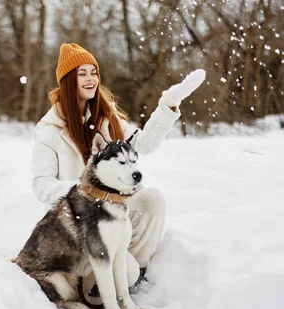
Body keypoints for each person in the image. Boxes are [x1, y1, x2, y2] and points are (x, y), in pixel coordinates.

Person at [32, 43, 194, 288]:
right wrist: (83, 190)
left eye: (93, 72)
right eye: (82, 74)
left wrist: (168, 105)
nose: (90, 79)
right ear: (68, 81)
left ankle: (135, 269)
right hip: (78, 226)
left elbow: (146, 143)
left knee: (152, 199)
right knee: (121, 275)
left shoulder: (107, 118)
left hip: (113, 211)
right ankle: (105, 276)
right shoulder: (49, 129)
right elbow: (42, 186)